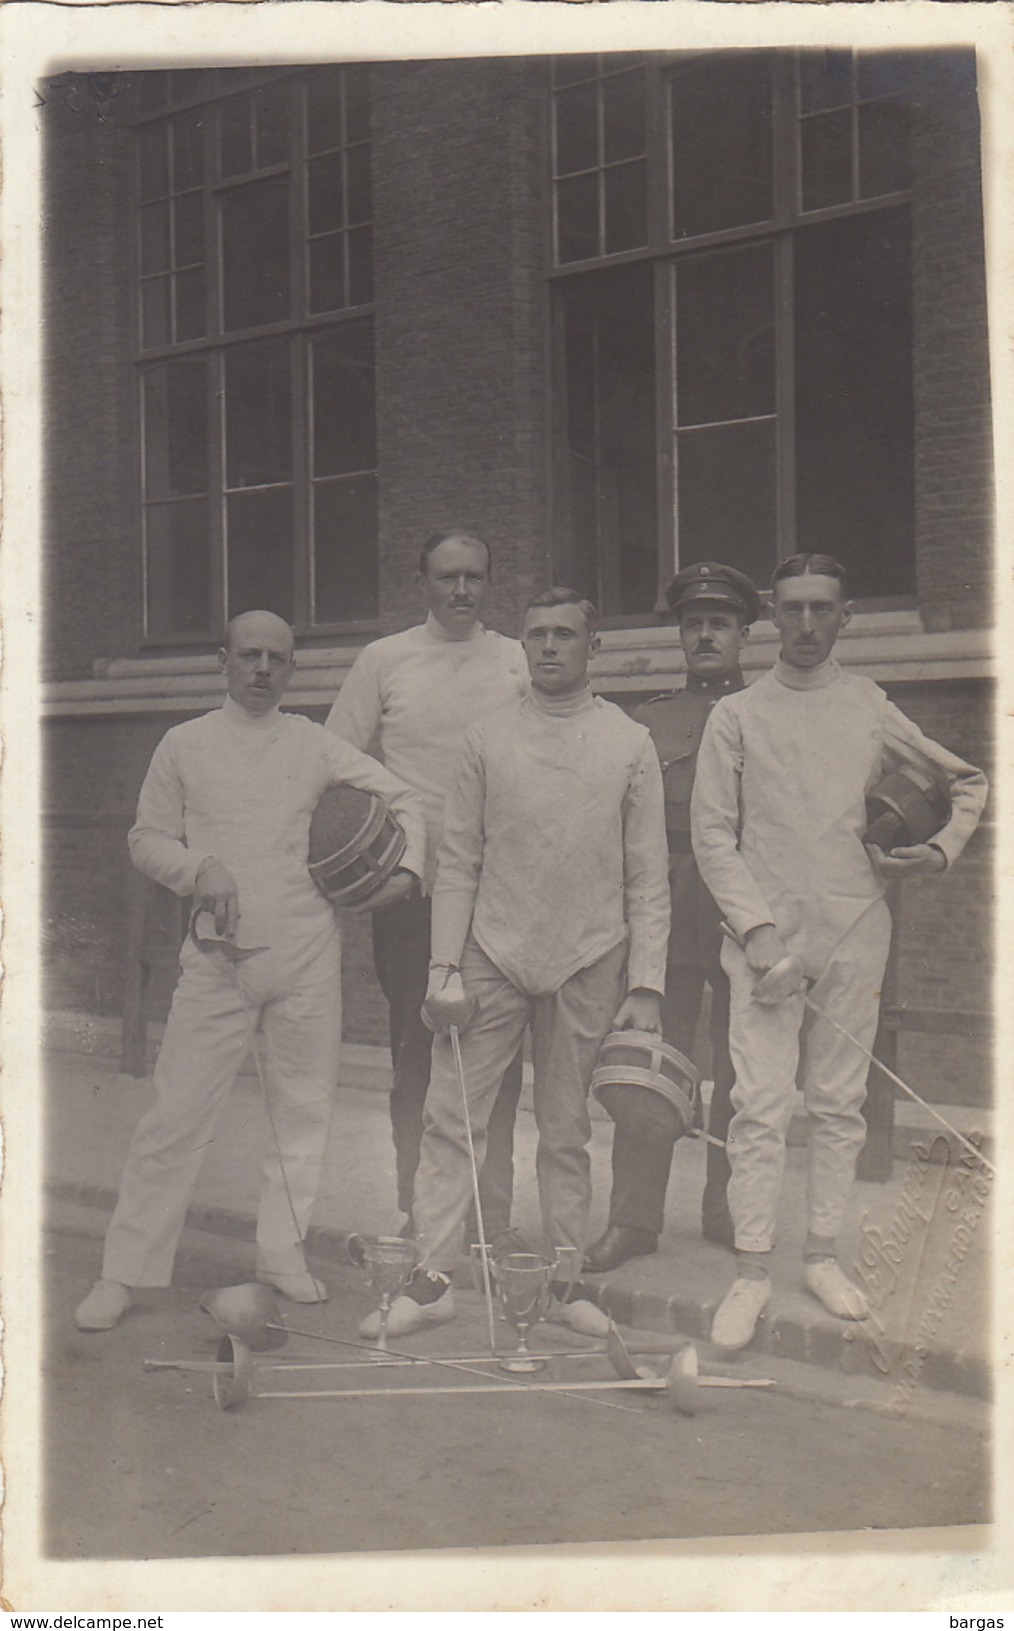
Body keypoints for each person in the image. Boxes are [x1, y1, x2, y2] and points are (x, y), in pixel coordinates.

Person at [74, 610, 426, 1332]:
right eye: (249, 655)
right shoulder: (185, 744)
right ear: (223, 661)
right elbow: (145, 837)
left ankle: (282, 1254)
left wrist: (406, 873)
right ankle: (125, 1271)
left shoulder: (313, 744)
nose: (262, 669)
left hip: (306, 955)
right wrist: (199, 865)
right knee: (175, 1117)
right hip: (218, 960)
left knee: (302, 1113)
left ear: (292, 668)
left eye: (277, 658)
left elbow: (406, 798)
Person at [691, 554, 988, 1350]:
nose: (808, 624)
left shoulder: (869, 706)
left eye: (823, 608)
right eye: (792, 608)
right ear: (772, 619)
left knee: (837, 1106)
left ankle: (822, 1255)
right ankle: (752, 1270)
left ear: (845, 617)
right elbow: (712, 834)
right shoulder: (740, 715)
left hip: (857, 934)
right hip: (765, 947)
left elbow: (968, 781)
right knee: (756, 1107)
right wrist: (756, 935)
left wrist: (937, 852)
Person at [368, 587, 671, 1341]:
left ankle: (564, 1280)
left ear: (592, 646)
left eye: (566, 634)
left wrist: (647, 986)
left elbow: (648, 875)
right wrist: (444, 967)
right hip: (490, 953)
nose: (549, 647)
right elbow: (459, 858)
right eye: (537, 633)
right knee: (451, 1119)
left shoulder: (629, 743)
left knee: (565, 1128)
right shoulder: (484, 738)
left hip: (588, 956)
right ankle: (432, 1277)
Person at [326, 530, 528, 1237]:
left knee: (497, 1058)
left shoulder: (514, 660)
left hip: (500, 894)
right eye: (448, 576)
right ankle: (418, 1211)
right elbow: (335, 762)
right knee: (418, 1053)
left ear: (489, 581)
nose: (462, 590)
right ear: (423, 581)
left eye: (475, 575)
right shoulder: (385, 660)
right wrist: (395, 826)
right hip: (413, 896)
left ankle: (489, 1219)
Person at [583, 561, 760, 1274]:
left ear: (745, 634)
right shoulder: (649, 720)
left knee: (747, 1069)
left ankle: (728, 1208)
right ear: (681, 636)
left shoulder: (766, 711)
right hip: (669, 904)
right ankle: (633, 1218)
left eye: (719, 623)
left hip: (747, 904)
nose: (706, 636)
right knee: (649, 1062)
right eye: (694, 625)